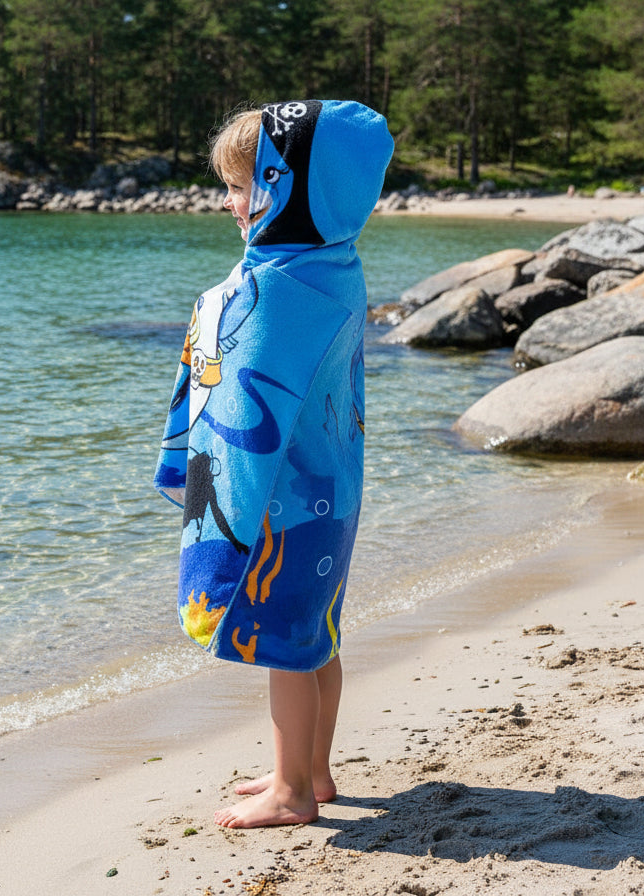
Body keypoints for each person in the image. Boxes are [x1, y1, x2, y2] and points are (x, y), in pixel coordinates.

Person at [153, 100, 394, 828]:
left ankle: (292, 793)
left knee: (283, 646)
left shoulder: (279, 290)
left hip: (282, 503)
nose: (229, 201)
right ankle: (313, 769)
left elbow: (242, 416)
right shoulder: (331, 264)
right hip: (333, 491)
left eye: (244, 184)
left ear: (290, 189)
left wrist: (227, 519)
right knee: (316, 634)